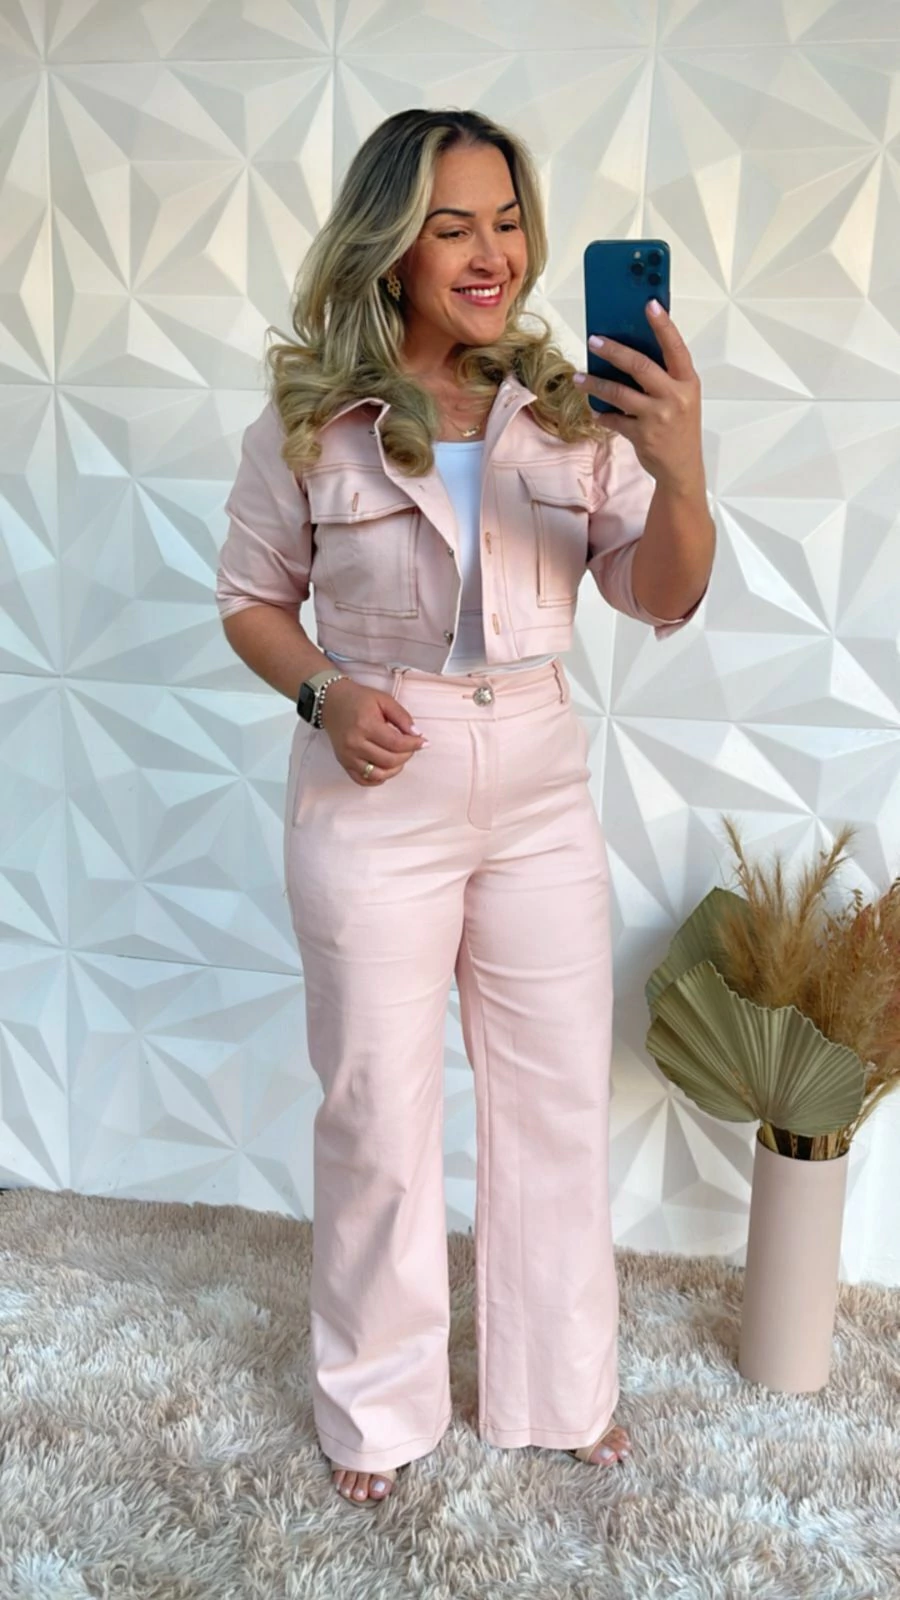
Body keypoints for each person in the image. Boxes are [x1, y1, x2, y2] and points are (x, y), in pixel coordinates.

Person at [215, 108, 714, 1508]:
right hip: (376, 785)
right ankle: (377, 1407)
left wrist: (681, 470)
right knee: (378, 1108)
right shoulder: (310, 423)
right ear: (392, 248)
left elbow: (660, 592)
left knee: (554, 1099)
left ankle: (559, 1390)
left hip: (540, 782)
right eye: (453, 227)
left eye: (507, 222)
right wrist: (324, 693)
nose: (492, 253)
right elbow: (250, 601)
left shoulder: (574, 411)